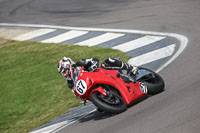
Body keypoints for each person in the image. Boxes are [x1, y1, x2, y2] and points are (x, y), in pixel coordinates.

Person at [57, 57, 138, 91]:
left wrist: (93, 67)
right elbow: (77, 94)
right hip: (96, 89)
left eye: (64, 71)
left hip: (102, 74)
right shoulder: (70, 83)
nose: (64, 75)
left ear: (69, 67)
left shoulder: (80, 63)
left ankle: (131, 68)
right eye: (62, 73)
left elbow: (94, 60)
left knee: (107, 61)